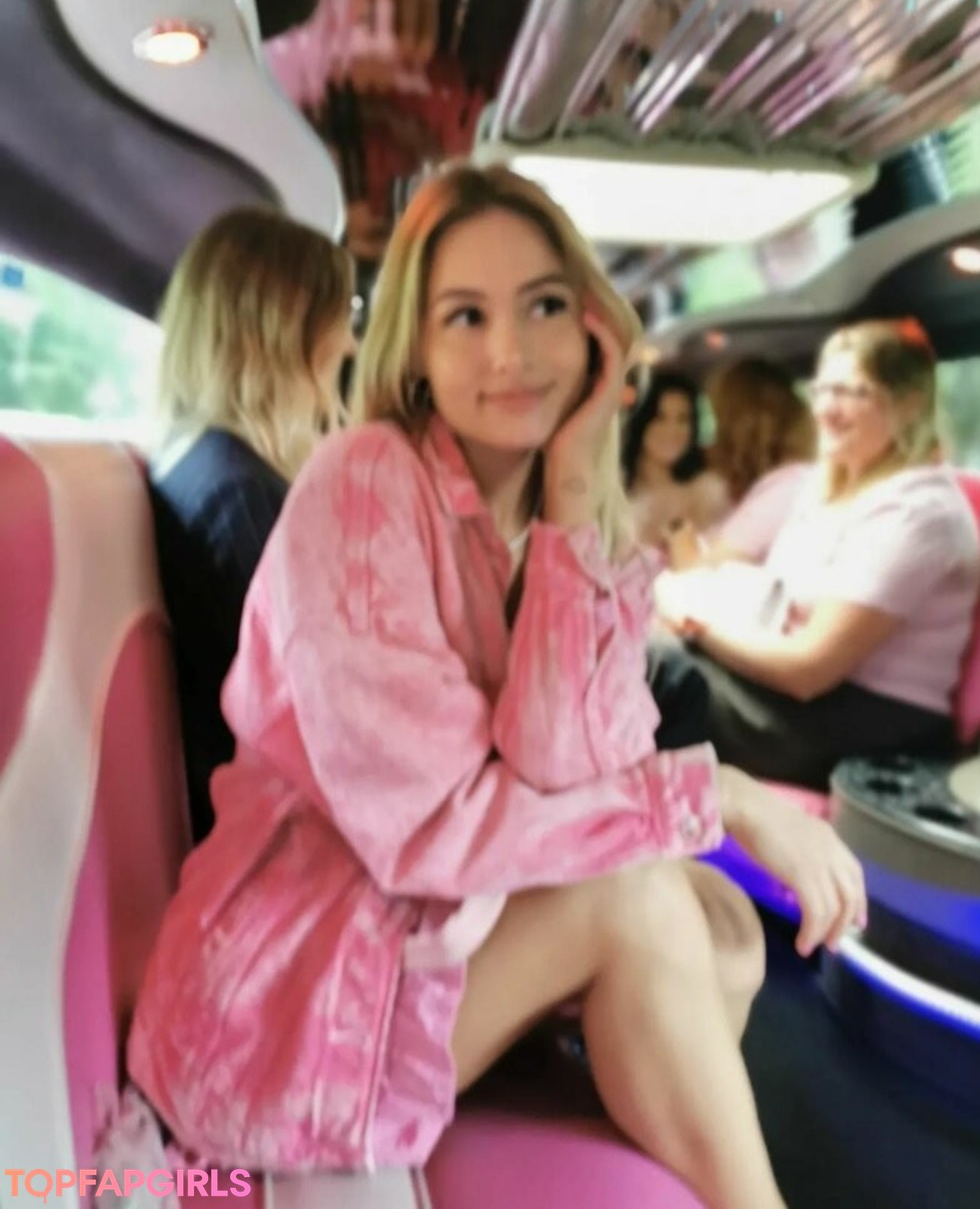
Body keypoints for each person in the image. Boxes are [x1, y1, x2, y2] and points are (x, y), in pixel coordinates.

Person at [128, 164, 865, 1209]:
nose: (511, 352)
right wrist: (725, 795)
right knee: (641, 899)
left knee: (725, 928)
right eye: (466, 316)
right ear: (417, 350)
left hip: (431, 929)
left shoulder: (556, 511)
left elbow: (567, 765)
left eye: (545, 307)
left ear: (595, 329)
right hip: (290, 994)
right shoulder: (362, 484)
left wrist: (572, 492)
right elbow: (432, 829)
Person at [675, 318, 980, 792]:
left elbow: (808, 670)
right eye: (821, 390)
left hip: (872, 725)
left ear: (909, 403)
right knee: (629, 653)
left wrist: (693, 622)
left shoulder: (917, 510)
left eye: (849, 392)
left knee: (652, 674)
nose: (825, 409)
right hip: (804, 700)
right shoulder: (829, 490)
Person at [149, 207, 356, 842]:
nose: (350, 344)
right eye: (341, 318)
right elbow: (328, 715)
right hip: (276, 835)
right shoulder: (242, 495)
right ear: (285, 332)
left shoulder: (197, 462)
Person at [667, 357, 814, 571]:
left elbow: (697, 576)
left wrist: (679, 534)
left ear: (737, 429)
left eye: (716, 423)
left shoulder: (781, 490)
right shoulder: (800, 480)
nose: (711, 442)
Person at [622, 369, 728, 548]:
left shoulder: (707, 492)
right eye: (660, 418)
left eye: (683, 419)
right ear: (641, 421)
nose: (672, 429)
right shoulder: (616, 498)